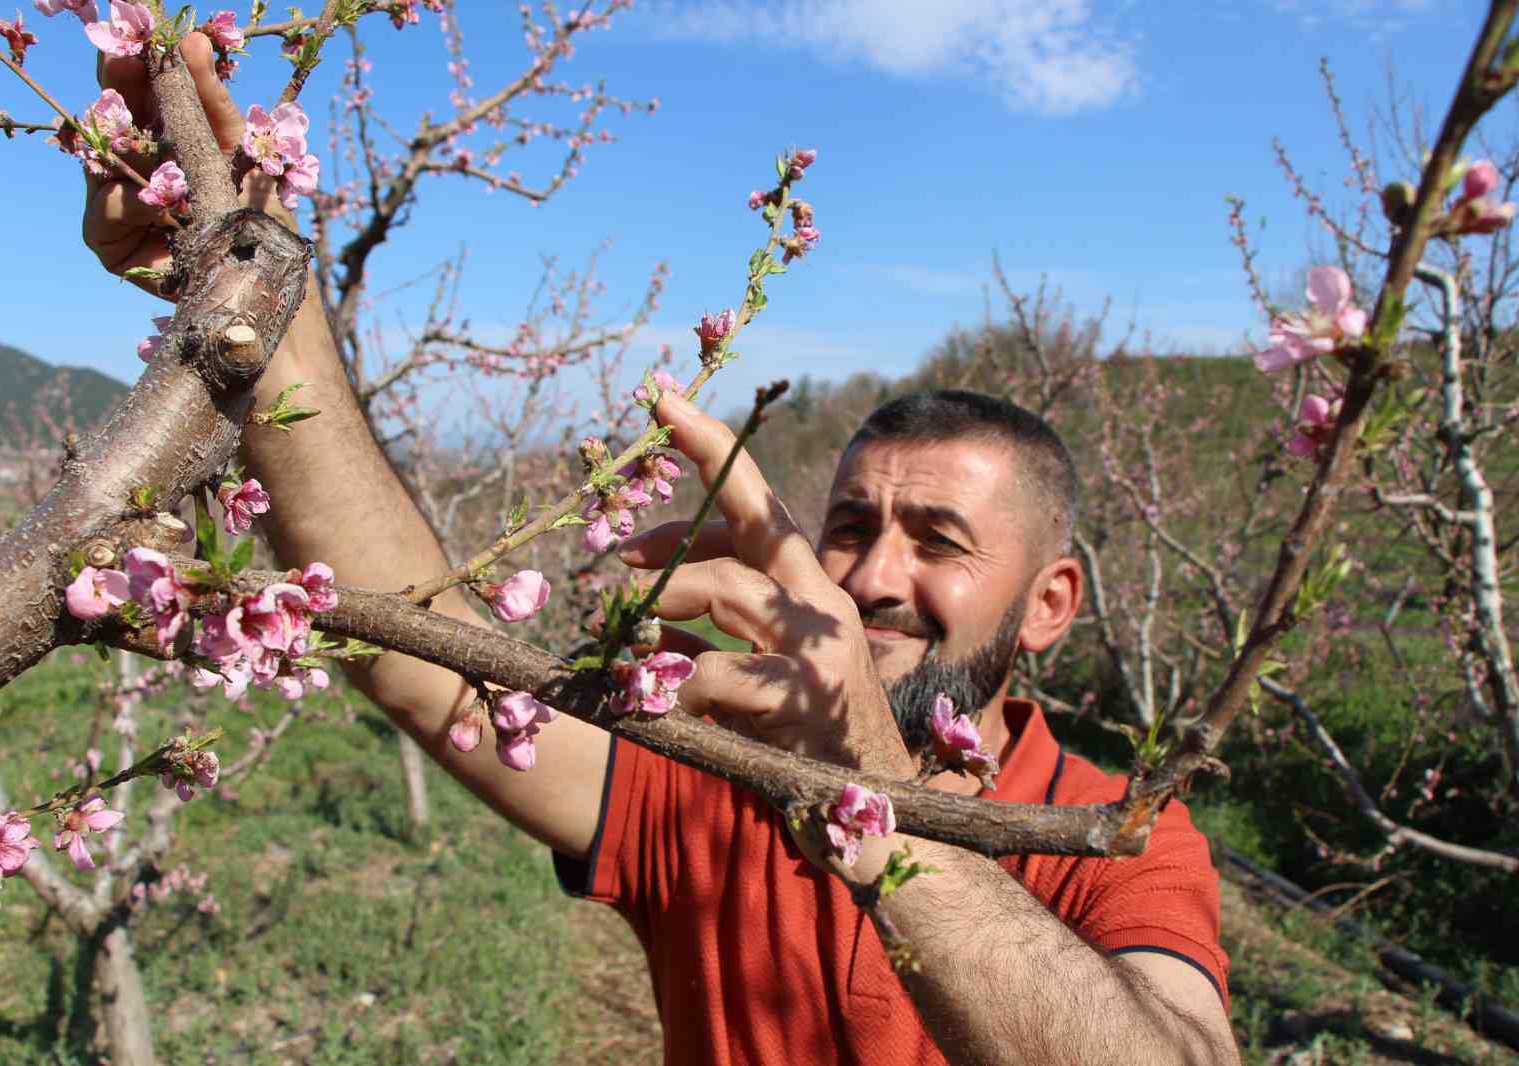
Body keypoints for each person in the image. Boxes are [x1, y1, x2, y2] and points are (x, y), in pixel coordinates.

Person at [82, 38, 1239, 1065]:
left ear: (1049, 602)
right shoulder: (718, 771)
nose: (874, 576)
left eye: (938, 542)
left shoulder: (1114, 838)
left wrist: (871, 786)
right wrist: (250, 286)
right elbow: (422, 659)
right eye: (849, 528)